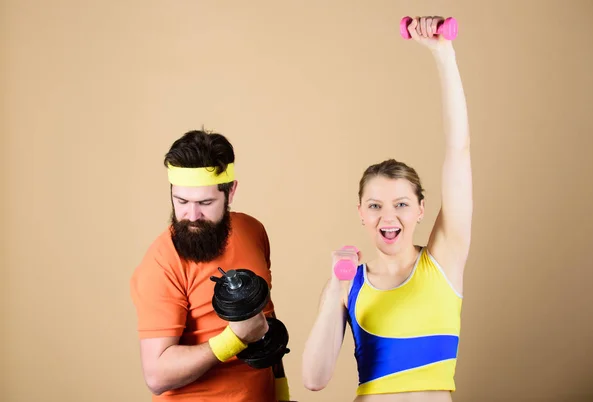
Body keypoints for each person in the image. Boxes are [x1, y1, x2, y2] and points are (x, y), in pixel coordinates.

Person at [302, 16, 472, 402]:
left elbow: (458, 152)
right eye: (375, 205)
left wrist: (443, 54)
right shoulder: (349, 284)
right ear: (361, 212)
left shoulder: (445, 260)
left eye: (401, 204)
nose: (388, 216)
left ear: (421, 210)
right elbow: (314, 378)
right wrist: (335, 290)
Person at [130, 129, 292, 402]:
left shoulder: (252, 231)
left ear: (231, 192)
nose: (192, 216)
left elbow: (266, 321)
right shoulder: (161, 263)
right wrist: (233, 340)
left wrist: (282, 390)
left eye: (205, 203)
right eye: (181, 202)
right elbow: (156, 375)